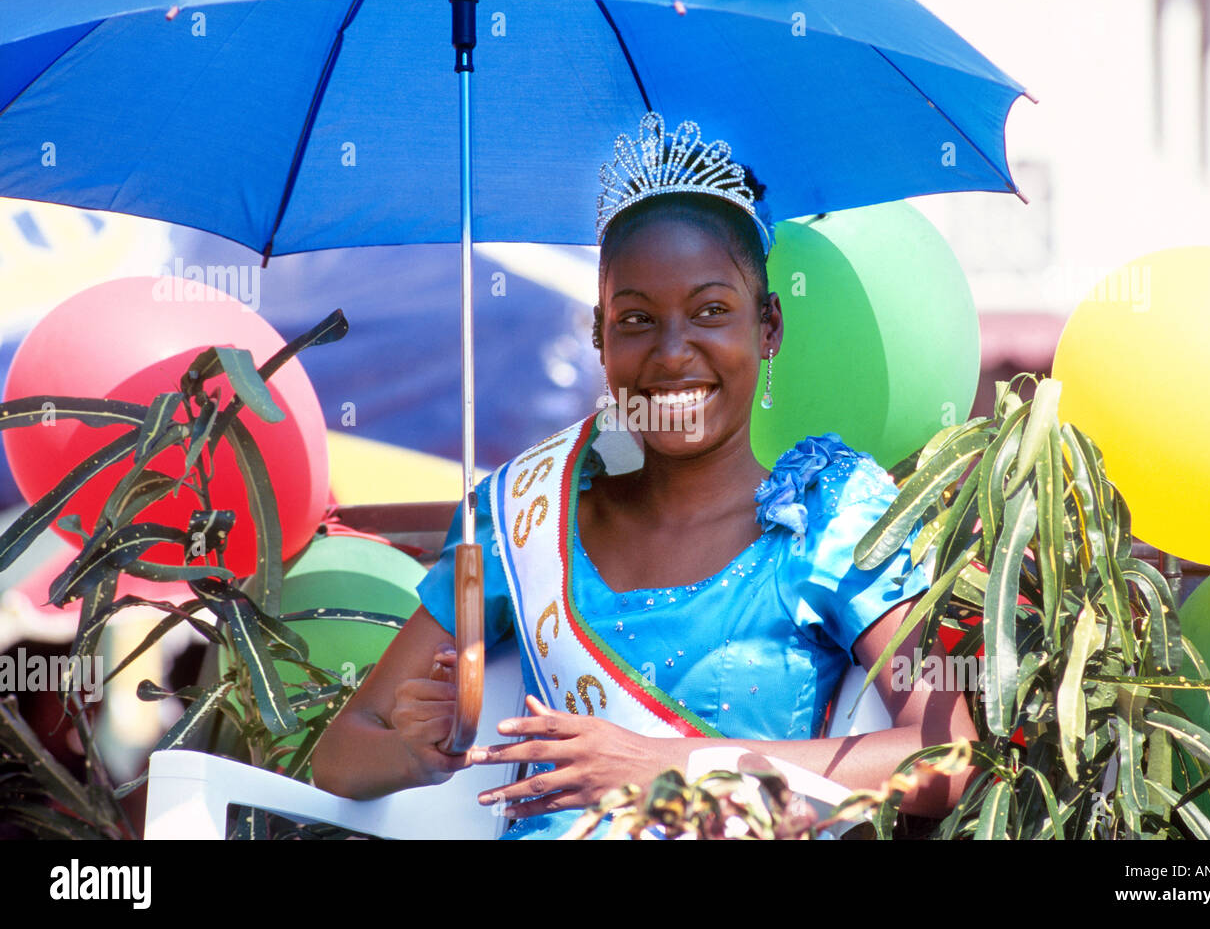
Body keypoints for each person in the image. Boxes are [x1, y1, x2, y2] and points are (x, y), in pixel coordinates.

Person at [314, 113, 978, 839]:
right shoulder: (522, 519)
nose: (671, 352)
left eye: (711, 311)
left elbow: (946, 759)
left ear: (769, 328)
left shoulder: (830, 516)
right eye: (635, 320)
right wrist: (415, 752)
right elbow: (342, 756)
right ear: (599, 338)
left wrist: (667, 768)